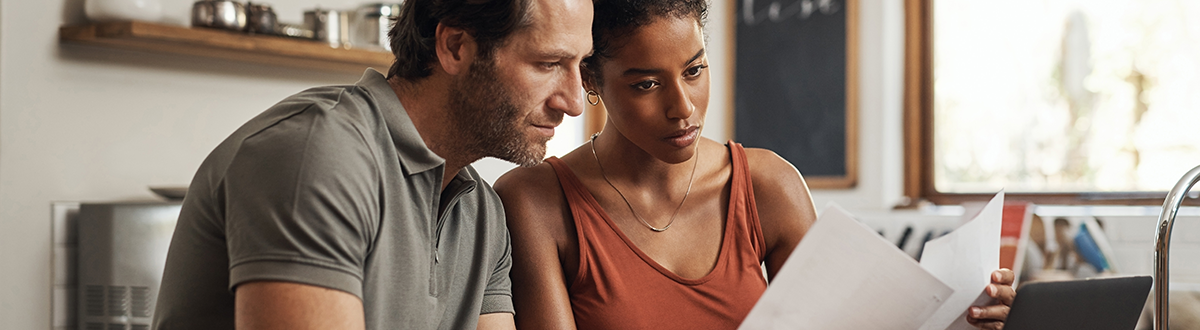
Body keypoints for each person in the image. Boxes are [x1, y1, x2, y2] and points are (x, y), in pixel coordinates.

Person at [493, 0, 1015, 329]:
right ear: (590, 81)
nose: (683, 107)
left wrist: (961, 321)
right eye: (646, 83)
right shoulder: (535, 201)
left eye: (695, 70)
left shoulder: (769, 187)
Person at [151, 0, 592, 328]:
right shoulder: (316, 154)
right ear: (455, 47)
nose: (573, 102)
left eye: (580, 66)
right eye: (549, 64)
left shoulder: (481, 211)